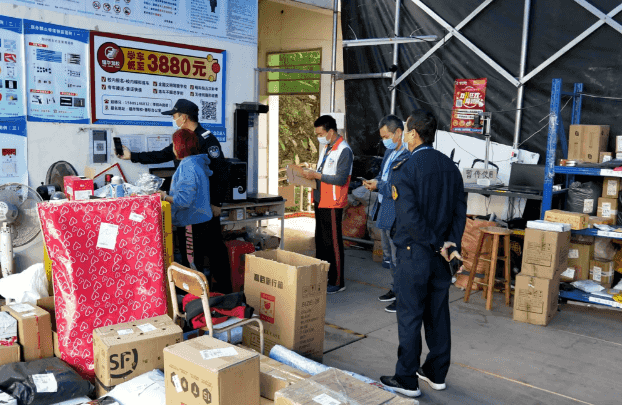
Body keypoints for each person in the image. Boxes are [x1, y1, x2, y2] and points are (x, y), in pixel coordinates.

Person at [380, 110, 466, 397]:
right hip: (442, 257)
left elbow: (409, 218)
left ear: (414, 134)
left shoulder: (405, 168)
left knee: (410, 316)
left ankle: (407, 379)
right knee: (438, 315)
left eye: (406, 130)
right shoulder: (450, 167)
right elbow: (459, 212)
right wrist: (450, 244)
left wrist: (436, 243)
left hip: (414, 254)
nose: (404, 135)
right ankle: (436, 372)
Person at [118, 99, 233, 294]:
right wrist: (133, 156)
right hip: (192, 209)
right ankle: (202, 295)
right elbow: (162, 155)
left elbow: (221, 172)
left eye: (174, 116)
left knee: (213, 250)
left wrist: (217, 202)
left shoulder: (206, 139)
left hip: (204, 206)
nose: (173, 119)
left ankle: (223, 293)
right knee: (196, 253)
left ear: (184, 117)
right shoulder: (184, 140)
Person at [363, 115, 409, 313]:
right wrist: (375, 181)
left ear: (398, 132)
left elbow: (397, 188)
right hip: (384, 207)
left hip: (396, 211)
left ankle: (403, 296)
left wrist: (378, 185)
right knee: (389, 255)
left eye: (386, 136)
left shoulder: (407, 155)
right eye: (382, 137)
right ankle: (395, 288)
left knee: (399, 256)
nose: (384, 141)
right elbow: (385, 177)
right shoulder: (390, 152)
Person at [302, 115, 353, 294]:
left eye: (320, 134)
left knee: (333, 243)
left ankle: (338, 281)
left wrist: (316, 175)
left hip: (333, 202)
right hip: (320, 199)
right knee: (321, 241)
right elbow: (323, 171)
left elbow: (340, 179)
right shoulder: (327, 148)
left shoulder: (344, 150)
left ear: (331, 132)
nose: (319, 137)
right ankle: (323, 275)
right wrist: (311, 174)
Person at [158, 129, 214, 282]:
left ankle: (194, 296)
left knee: (192, 268)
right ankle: (199, 295)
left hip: (191, 222)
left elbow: (183, 201)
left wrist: (164, 196)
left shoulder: (187, 166)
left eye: (174, 144)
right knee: (198, 264)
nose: (173, 148)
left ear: (180, 145)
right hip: (201, 220)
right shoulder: (197, 162)